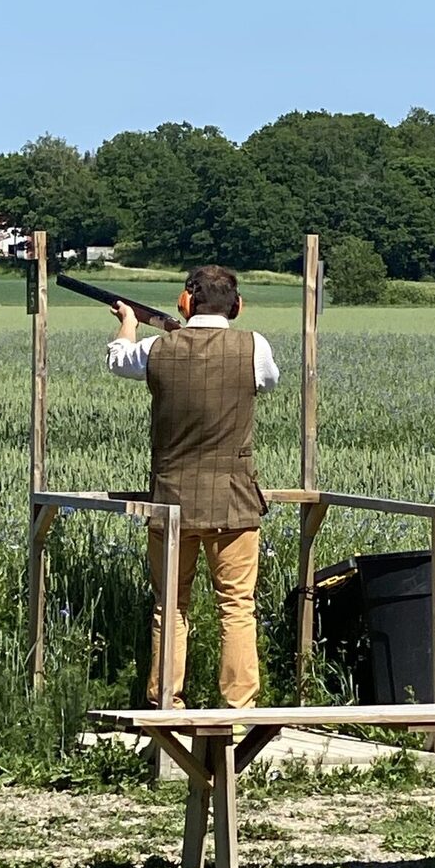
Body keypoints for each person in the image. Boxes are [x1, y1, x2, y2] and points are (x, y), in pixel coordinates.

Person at [106, 265, 279, 710]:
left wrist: (129, 322)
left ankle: (168, 704)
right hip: (234, 500)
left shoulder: (157, 347)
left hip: (171, 502)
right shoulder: (254, 346)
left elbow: (117, 360)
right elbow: (268, 380)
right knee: (237, 606)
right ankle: (239, 712)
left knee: (171, 606)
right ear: (236, 307)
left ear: (186, 302)